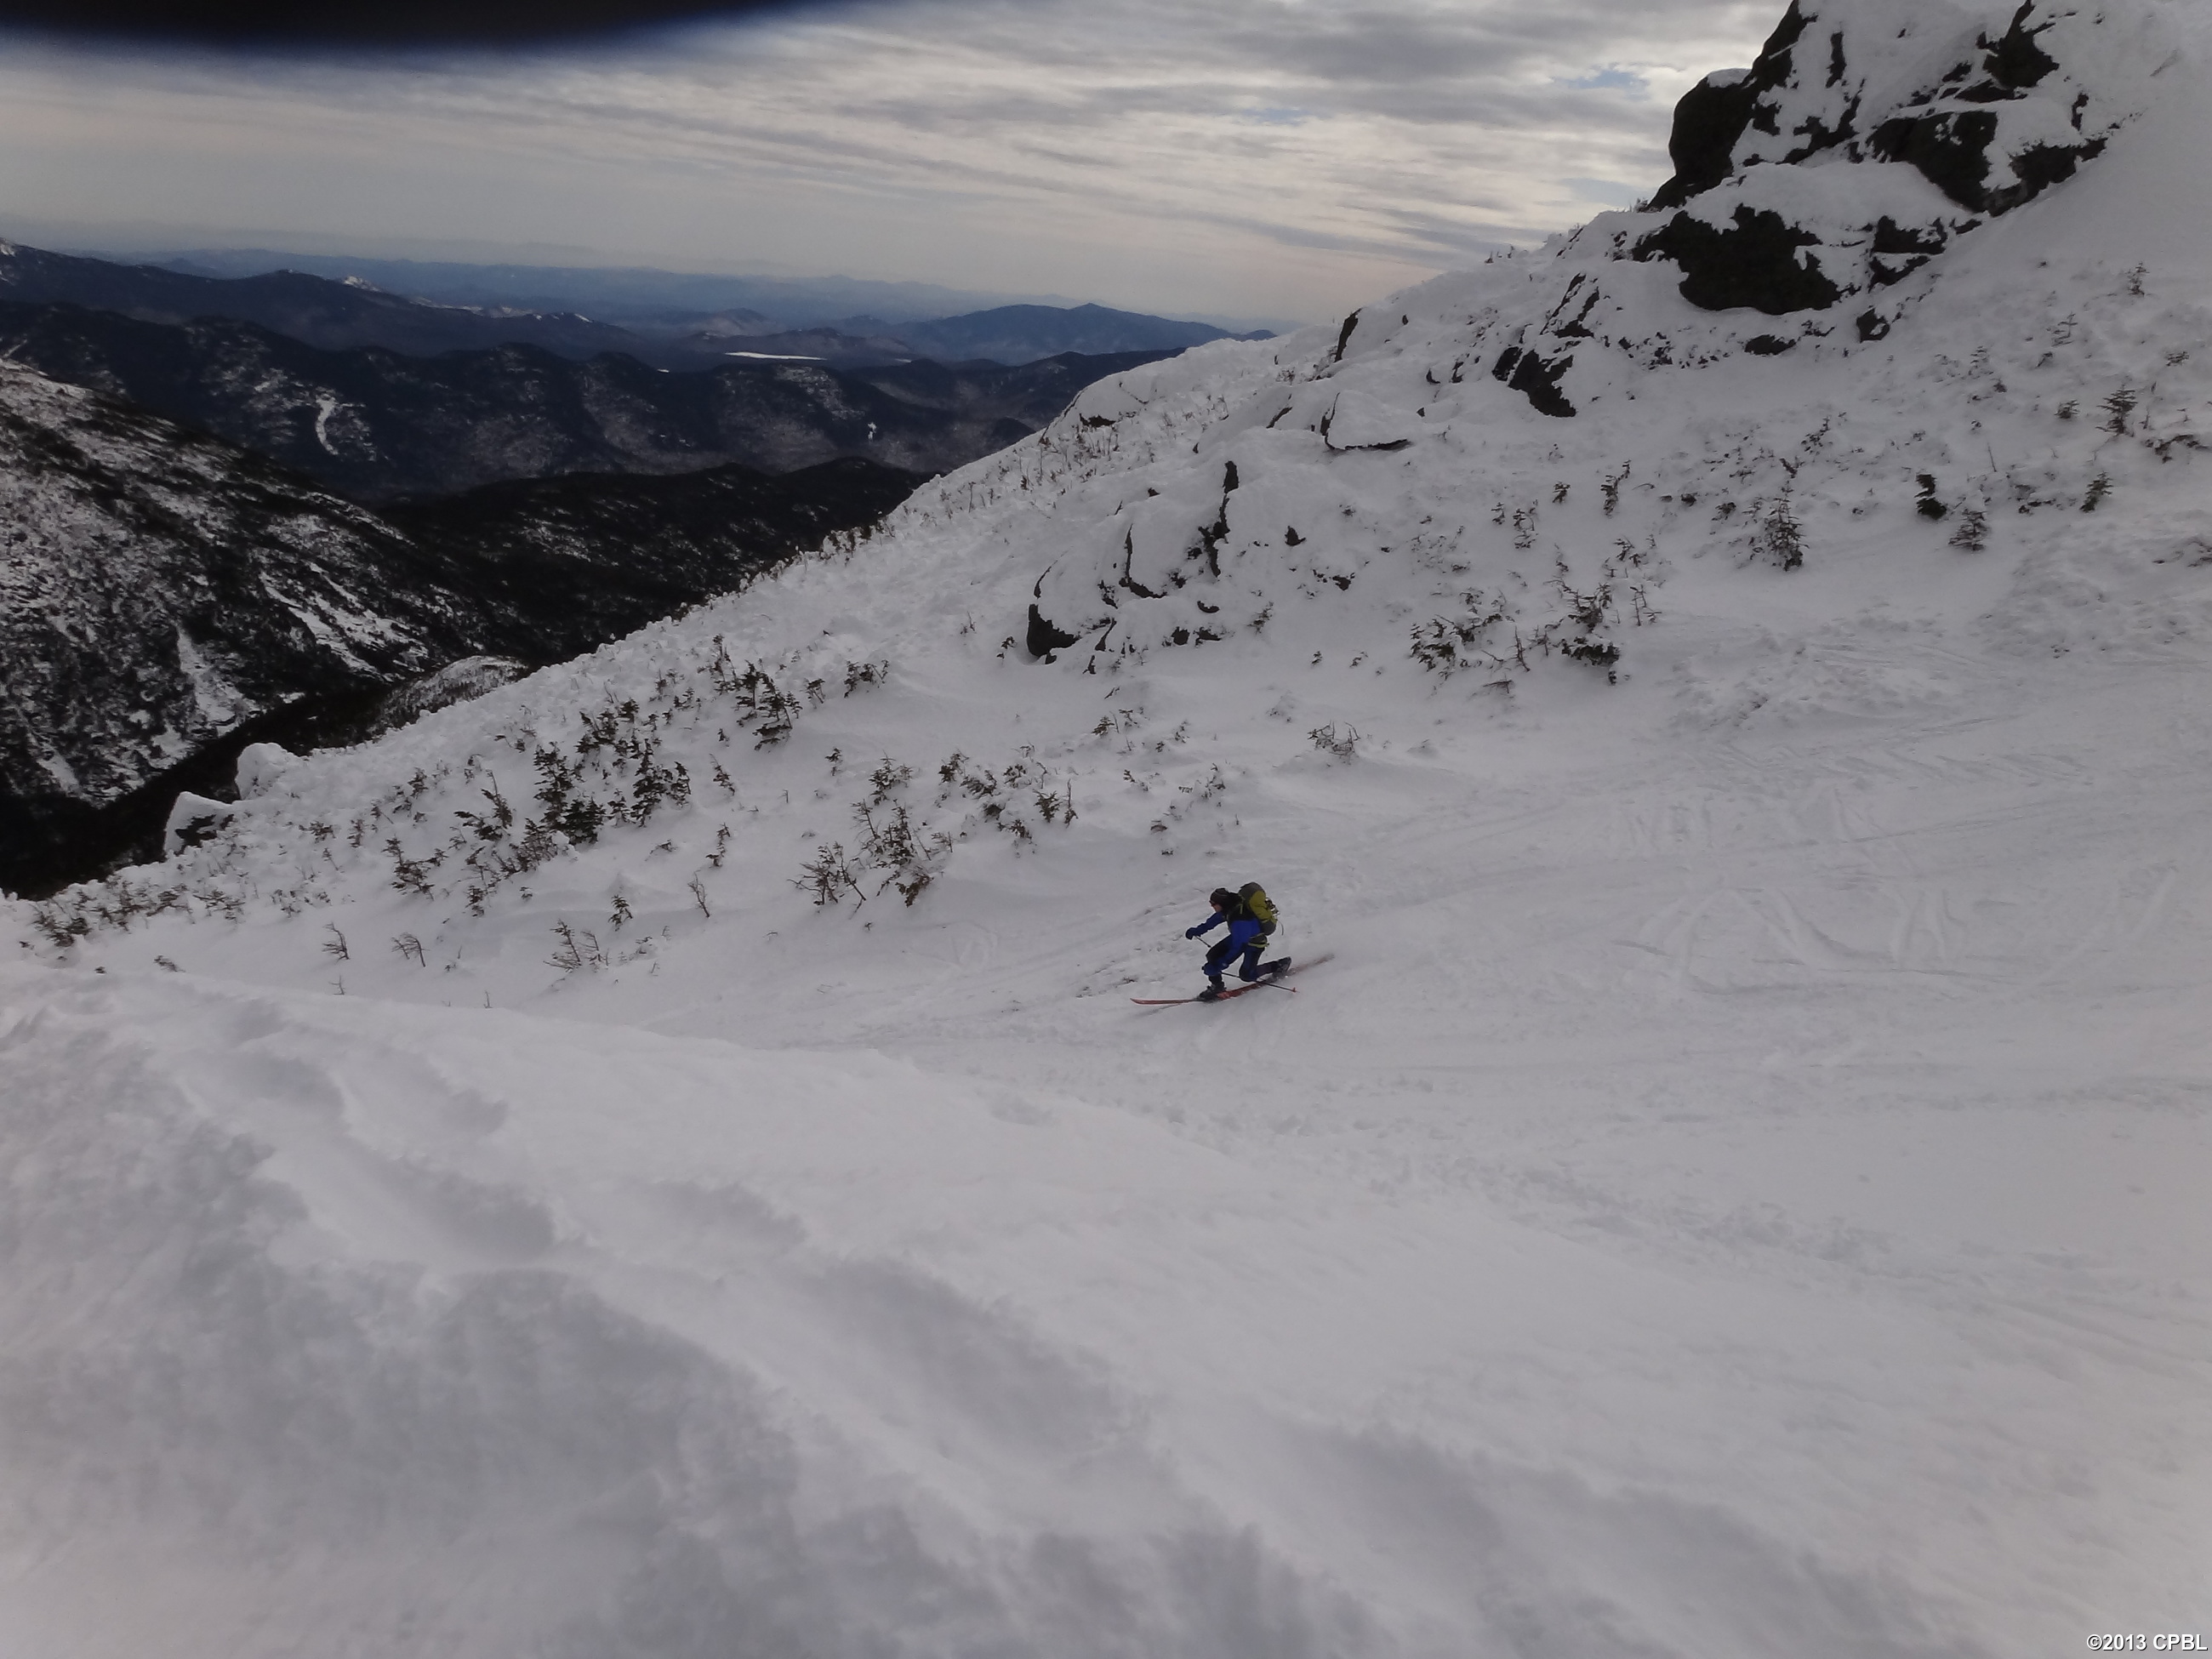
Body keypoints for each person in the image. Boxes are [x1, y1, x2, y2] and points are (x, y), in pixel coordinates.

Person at [1184, 882, 1289, 1001]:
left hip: (1254, 943)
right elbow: (1215, 920)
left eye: (1213, 904)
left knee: (1247, 975)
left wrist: (1220, 965)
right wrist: (1198, 930)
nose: (1212, 906)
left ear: (1221, 904)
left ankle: (1278, 965)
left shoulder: (1240, 919)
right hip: (1239, 938)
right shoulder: (1230, 907)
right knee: (1212, 955)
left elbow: (1238, 947)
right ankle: (1217, 987)